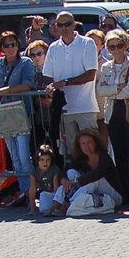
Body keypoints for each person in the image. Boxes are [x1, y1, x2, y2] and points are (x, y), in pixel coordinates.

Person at [0, 31, 39, 206]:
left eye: (13, 44)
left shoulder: (25, 62)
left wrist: (3, 91)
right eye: (6, 45)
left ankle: (31, 191)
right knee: (14, 156)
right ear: (1, 48)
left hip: (21, 111)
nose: (10, 48)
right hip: (4, 113)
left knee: (24, 155)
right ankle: (24, 192)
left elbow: (28, 84)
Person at [42, 10, 100, 157]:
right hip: (64, 109)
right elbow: (47, 77)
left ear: (73, 24)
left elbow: (90, 74)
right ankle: (76, 179)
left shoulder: (87, 43)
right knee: (72, 152)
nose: (64, 28)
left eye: (67, 24)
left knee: (93, 149)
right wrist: (50, 87)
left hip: (85, 106)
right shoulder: (53, 48)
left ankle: (95, 179)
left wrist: (65, 82)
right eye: (60, 25)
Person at [95, 30, 129, 206]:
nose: (116, 50)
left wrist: (114, 90)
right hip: (112, 112)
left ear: (126, 45)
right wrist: (117, 87)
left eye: (119, 46)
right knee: (119, 153)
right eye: (111, 47)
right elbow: (100, 90)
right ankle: (124, 191)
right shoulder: (105, 67)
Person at [64, 131, 119, 216]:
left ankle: (69, 203)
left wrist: (74, 181)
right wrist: (64, 180)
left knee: (95, 180)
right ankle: (62, 200)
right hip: (98, 194)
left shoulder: (104, 157)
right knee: (71, 172)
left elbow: (97, 174)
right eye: (83, 144)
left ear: (95, 143)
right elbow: (66, 168)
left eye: (89, 143)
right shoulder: (82, 158)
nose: (87, 146)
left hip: (114, 194)